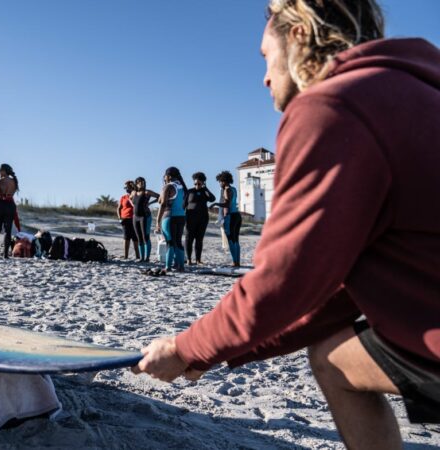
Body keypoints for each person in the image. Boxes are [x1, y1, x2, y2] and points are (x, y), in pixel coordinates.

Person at [133, 1, 440, 448]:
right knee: (335, 353)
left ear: (297, 35)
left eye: (263, 57)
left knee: (332, 361)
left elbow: (285, 280)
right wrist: (216, 350)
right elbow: (334, 297)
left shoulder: (333, 107)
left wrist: (185, 349)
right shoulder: (415, 91)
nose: (264, 76)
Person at [156, 167, 187, 272]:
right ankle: (181, 266)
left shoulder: (168, 187)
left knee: (170, 242)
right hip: (181, 217)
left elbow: (162, 203)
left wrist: (157, 221)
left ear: (168, 176)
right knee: (178, 242)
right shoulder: (182, 187)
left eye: (165, 175)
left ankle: (168, 267)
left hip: (169, 216)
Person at [184, 172, 216, 265]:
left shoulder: (204, 192)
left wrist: (205, 188)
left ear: (203, 183)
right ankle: (189, 259)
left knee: (199, 239)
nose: (197, 185)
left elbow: (212, 198)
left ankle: (198, 260)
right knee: (189, 238)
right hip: (190, 217)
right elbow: (184, 204)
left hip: (203, 218)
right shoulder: (189, 191)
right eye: (195, 184)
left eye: (199, 184)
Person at [211, 171, 241, 267]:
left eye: (220, 181)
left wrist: (215, 204)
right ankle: (237, 261)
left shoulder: (226, 190)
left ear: (223, 181)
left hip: (230, 216)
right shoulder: (234, 189)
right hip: (237, 216)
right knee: (236, 239)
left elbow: (227, 204)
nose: (219, 184)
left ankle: (234, 262)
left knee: (230, 239)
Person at [0, 163, 19, 258]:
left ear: (4, 171)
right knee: (8, 230)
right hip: (10, 205)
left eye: (0, 171)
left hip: (0, 205)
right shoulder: (14, 181)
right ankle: (5, 254)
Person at [129, 177, 159, 262]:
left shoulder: (147, 192)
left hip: (145, 216)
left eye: (143, 182)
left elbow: (159, 197)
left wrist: (150, 203)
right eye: (140, 182)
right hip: (135, 217)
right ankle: (141, 258)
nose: (142, 184)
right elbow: (129, 198)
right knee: (139, 238)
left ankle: (147, 258)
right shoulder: (133, 192)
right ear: (136, 184)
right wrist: (132, 204)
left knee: (146, 237)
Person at [117, 180, 140, 259]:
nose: (127, 188)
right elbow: (119, 208)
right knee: (126, 238)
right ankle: (126, 256)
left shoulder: (136, 195)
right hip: (125, 219)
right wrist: (119, 218)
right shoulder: (123, 197)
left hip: (134, 219)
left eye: (128, 187)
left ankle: (138, 256)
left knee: (135, 238)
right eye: (126, 187)